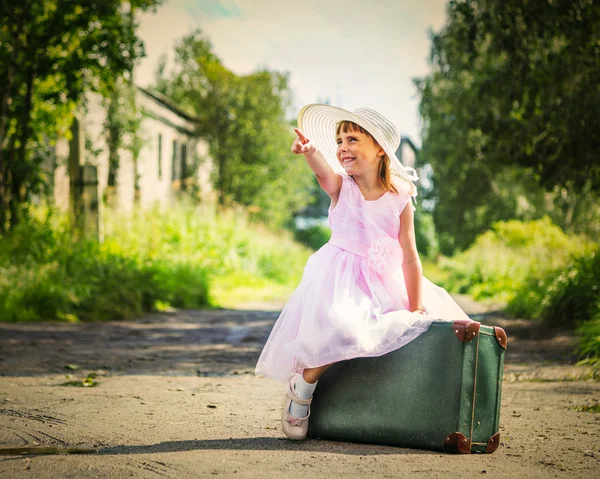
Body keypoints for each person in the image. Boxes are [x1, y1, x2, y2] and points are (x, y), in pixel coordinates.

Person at [255, 104, 469, 441]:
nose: (342, 147)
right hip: (339, 278)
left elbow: (410, 256)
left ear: (380, 148)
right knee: (345, 327)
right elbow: (324, 172)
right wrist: (311, 152)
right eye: (339, 140)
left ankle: (389, 405)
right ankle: (304, 384)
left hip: (382, 281)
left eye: (352, 139)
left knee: (405, 325)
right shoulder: (343, 186)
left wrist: (415, 304)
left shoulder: (400, 196)